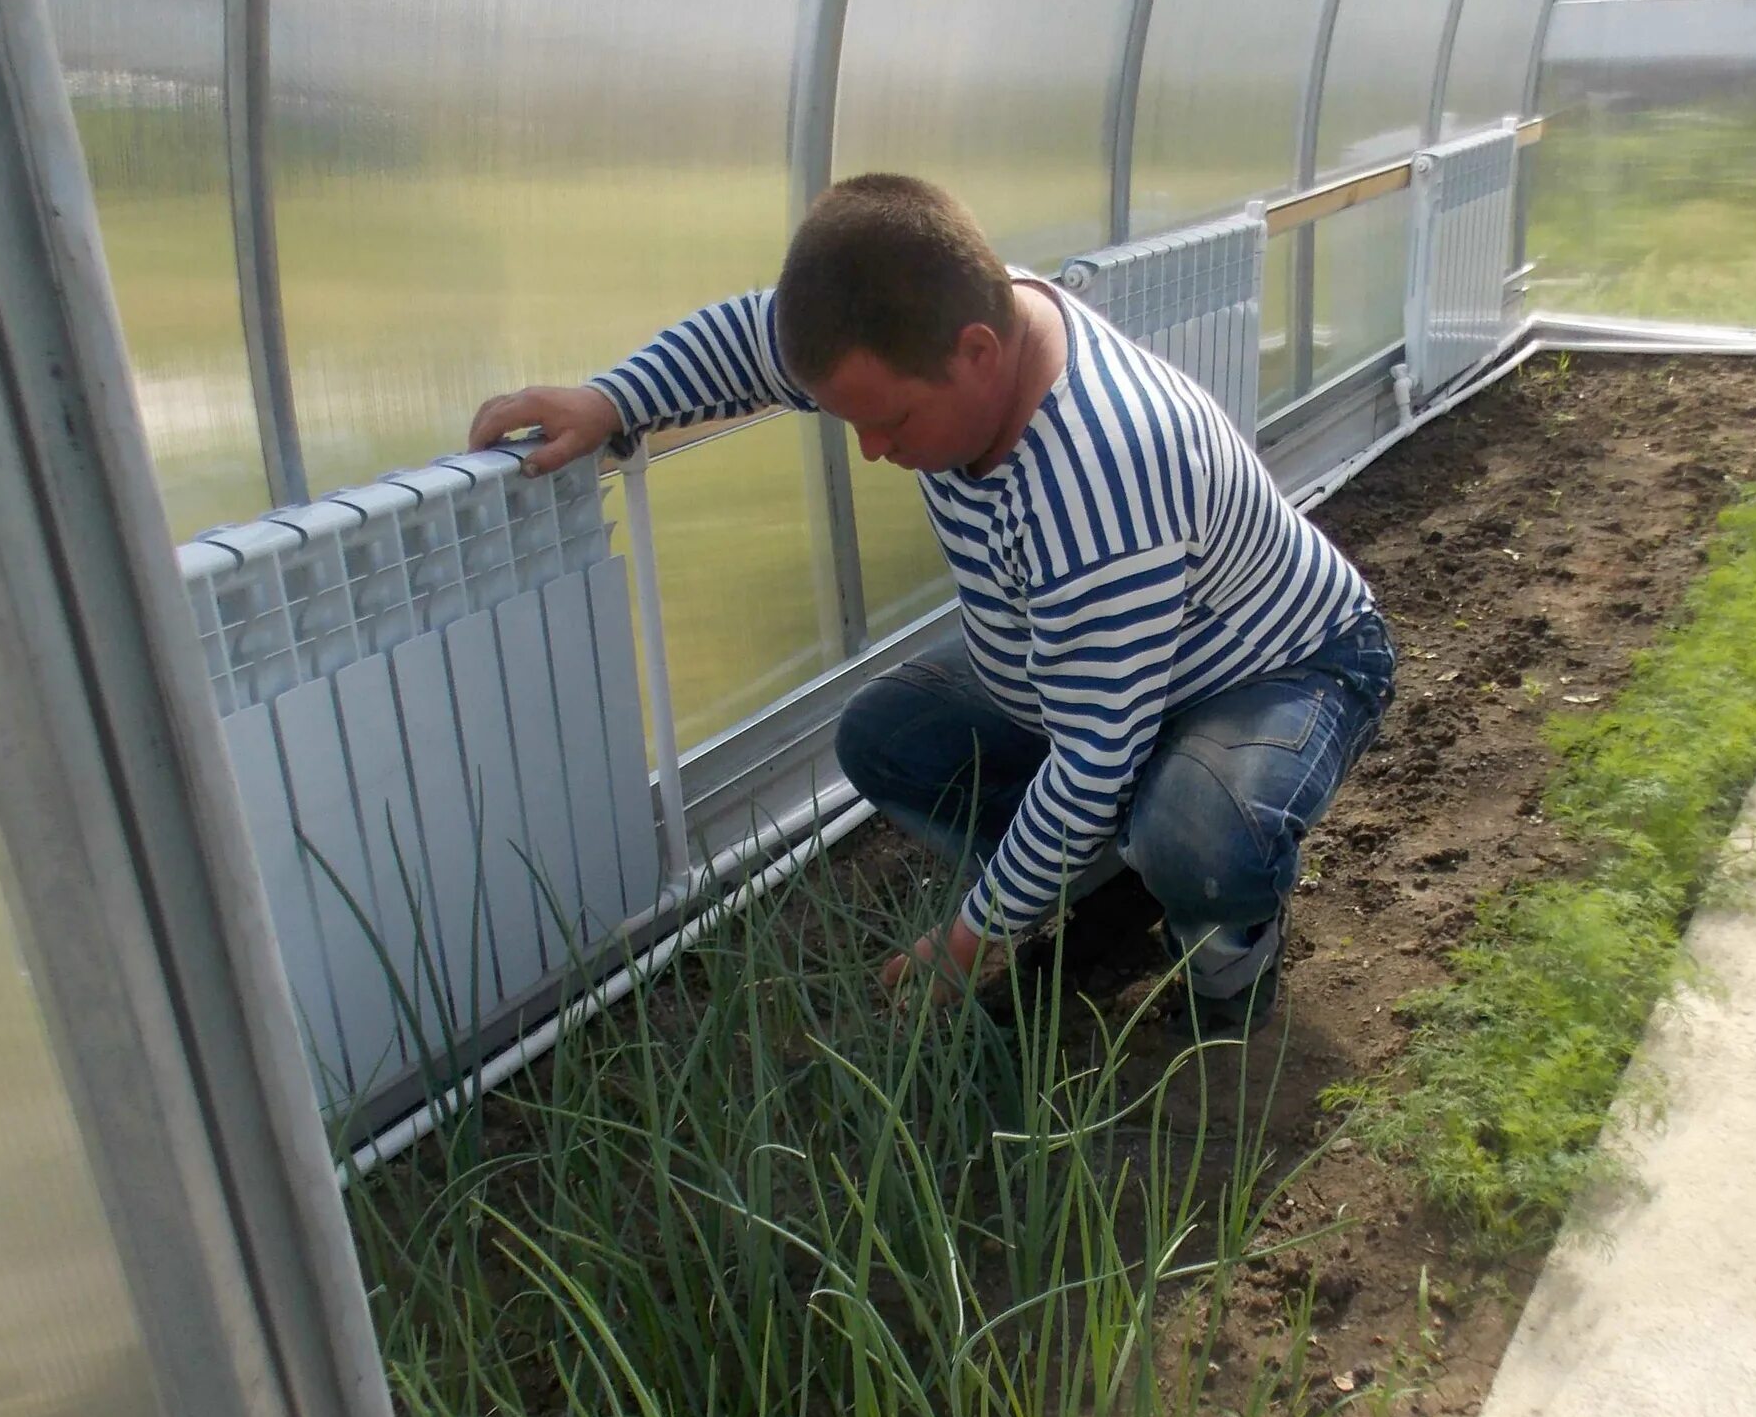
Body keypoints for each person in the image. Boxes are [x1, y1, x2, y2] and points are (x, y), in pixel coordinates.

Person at [468, 172, 1393, 1028]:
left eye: (891, 422)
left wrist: (967, 943)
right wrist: (612, 400)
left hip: (1276, 668)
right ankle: (1116, 877)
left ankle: (1225, 948)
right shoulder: (931, 324)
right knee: (887, 740)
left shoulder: (1097, 476)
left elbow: (1093, 757)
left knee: (1201, 838)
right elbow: (755, 341)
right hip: (1090, 681)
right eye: (852, 420)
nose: (871, 449)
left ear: (979, 355)